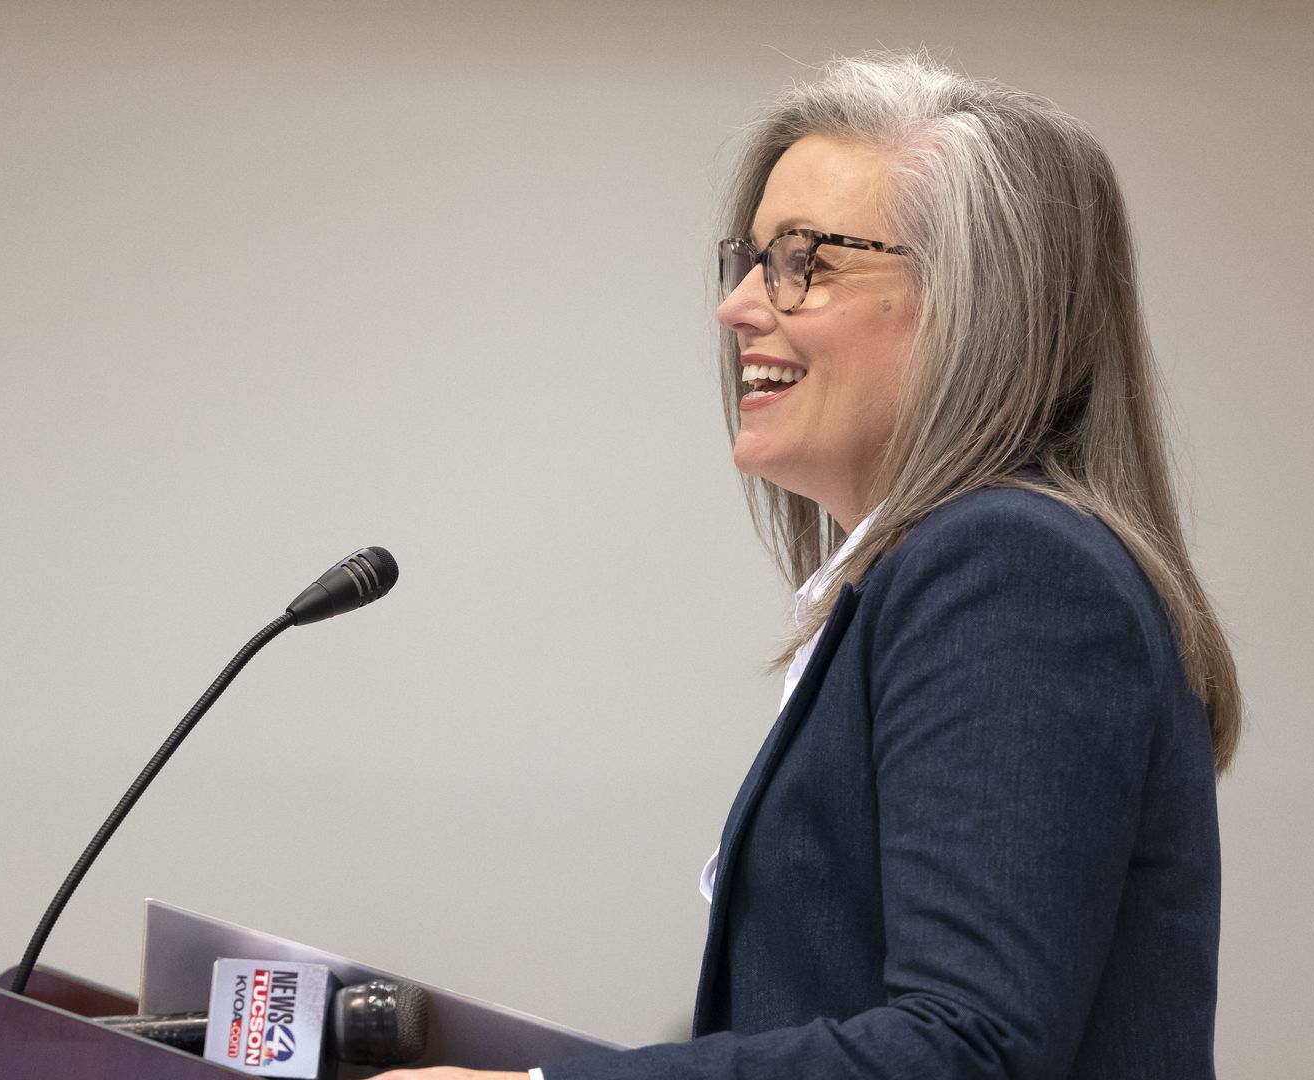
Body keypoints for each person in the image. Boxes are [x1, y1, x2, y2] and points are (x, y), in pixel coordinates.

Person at [376, 50, 1241, 1080]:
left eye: (803, 262)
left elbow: (969, 1053)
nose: (739, 306)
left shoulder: (1011, 570)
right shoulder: (945, 571)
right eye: (747, 260)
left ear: (980, 301)